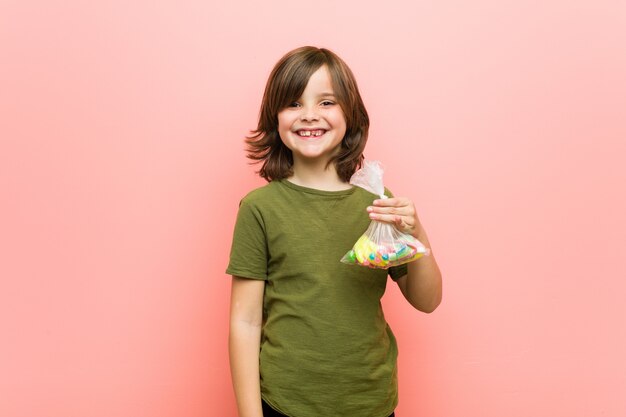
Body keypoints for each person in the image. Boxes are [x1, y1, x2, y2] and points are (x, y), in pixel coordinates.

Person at [226, 46, 442, 417]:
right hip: (285, 402)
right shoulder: (260, 208)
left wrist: (418, 232)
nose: (309, 115)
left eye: (326, 102)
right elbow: (245, 321)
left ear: (350, 114)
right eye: (293, 103)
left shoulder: (378, 203)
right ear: (274, 117)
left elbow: (427, 300)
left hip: (371, 400)